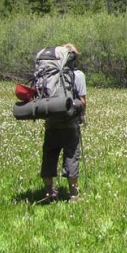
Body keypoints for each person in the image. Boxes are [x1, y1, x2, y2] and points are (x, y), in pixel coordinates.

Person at [41, 43, 86, 203]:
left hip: (51, 122)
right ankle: (73, 194)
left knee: (49, 155)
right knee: (71, 156)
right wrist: (82, 118)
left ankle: (48, 192)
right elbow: (82, 100)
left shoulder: (48, 74)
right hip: (69, 123)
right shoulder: (78, 75)